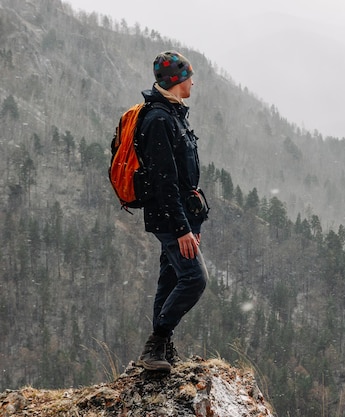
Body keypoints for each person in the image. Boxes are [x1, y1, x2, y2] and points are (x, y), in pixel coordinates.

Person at [135, 51, 209, 372]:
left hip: (179, 216)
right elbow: (165, 183)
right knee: (194, 279)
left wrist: (194, 223)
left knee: (170, 277)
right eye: (190, 75)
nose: (194, 81)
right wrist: (181, 229)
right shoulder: (159, 120)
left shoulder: (173, 113)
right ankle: (157, 341)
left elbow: (181, 178)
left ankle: (160, 351)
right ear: (177, 80)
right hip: (169, 218)